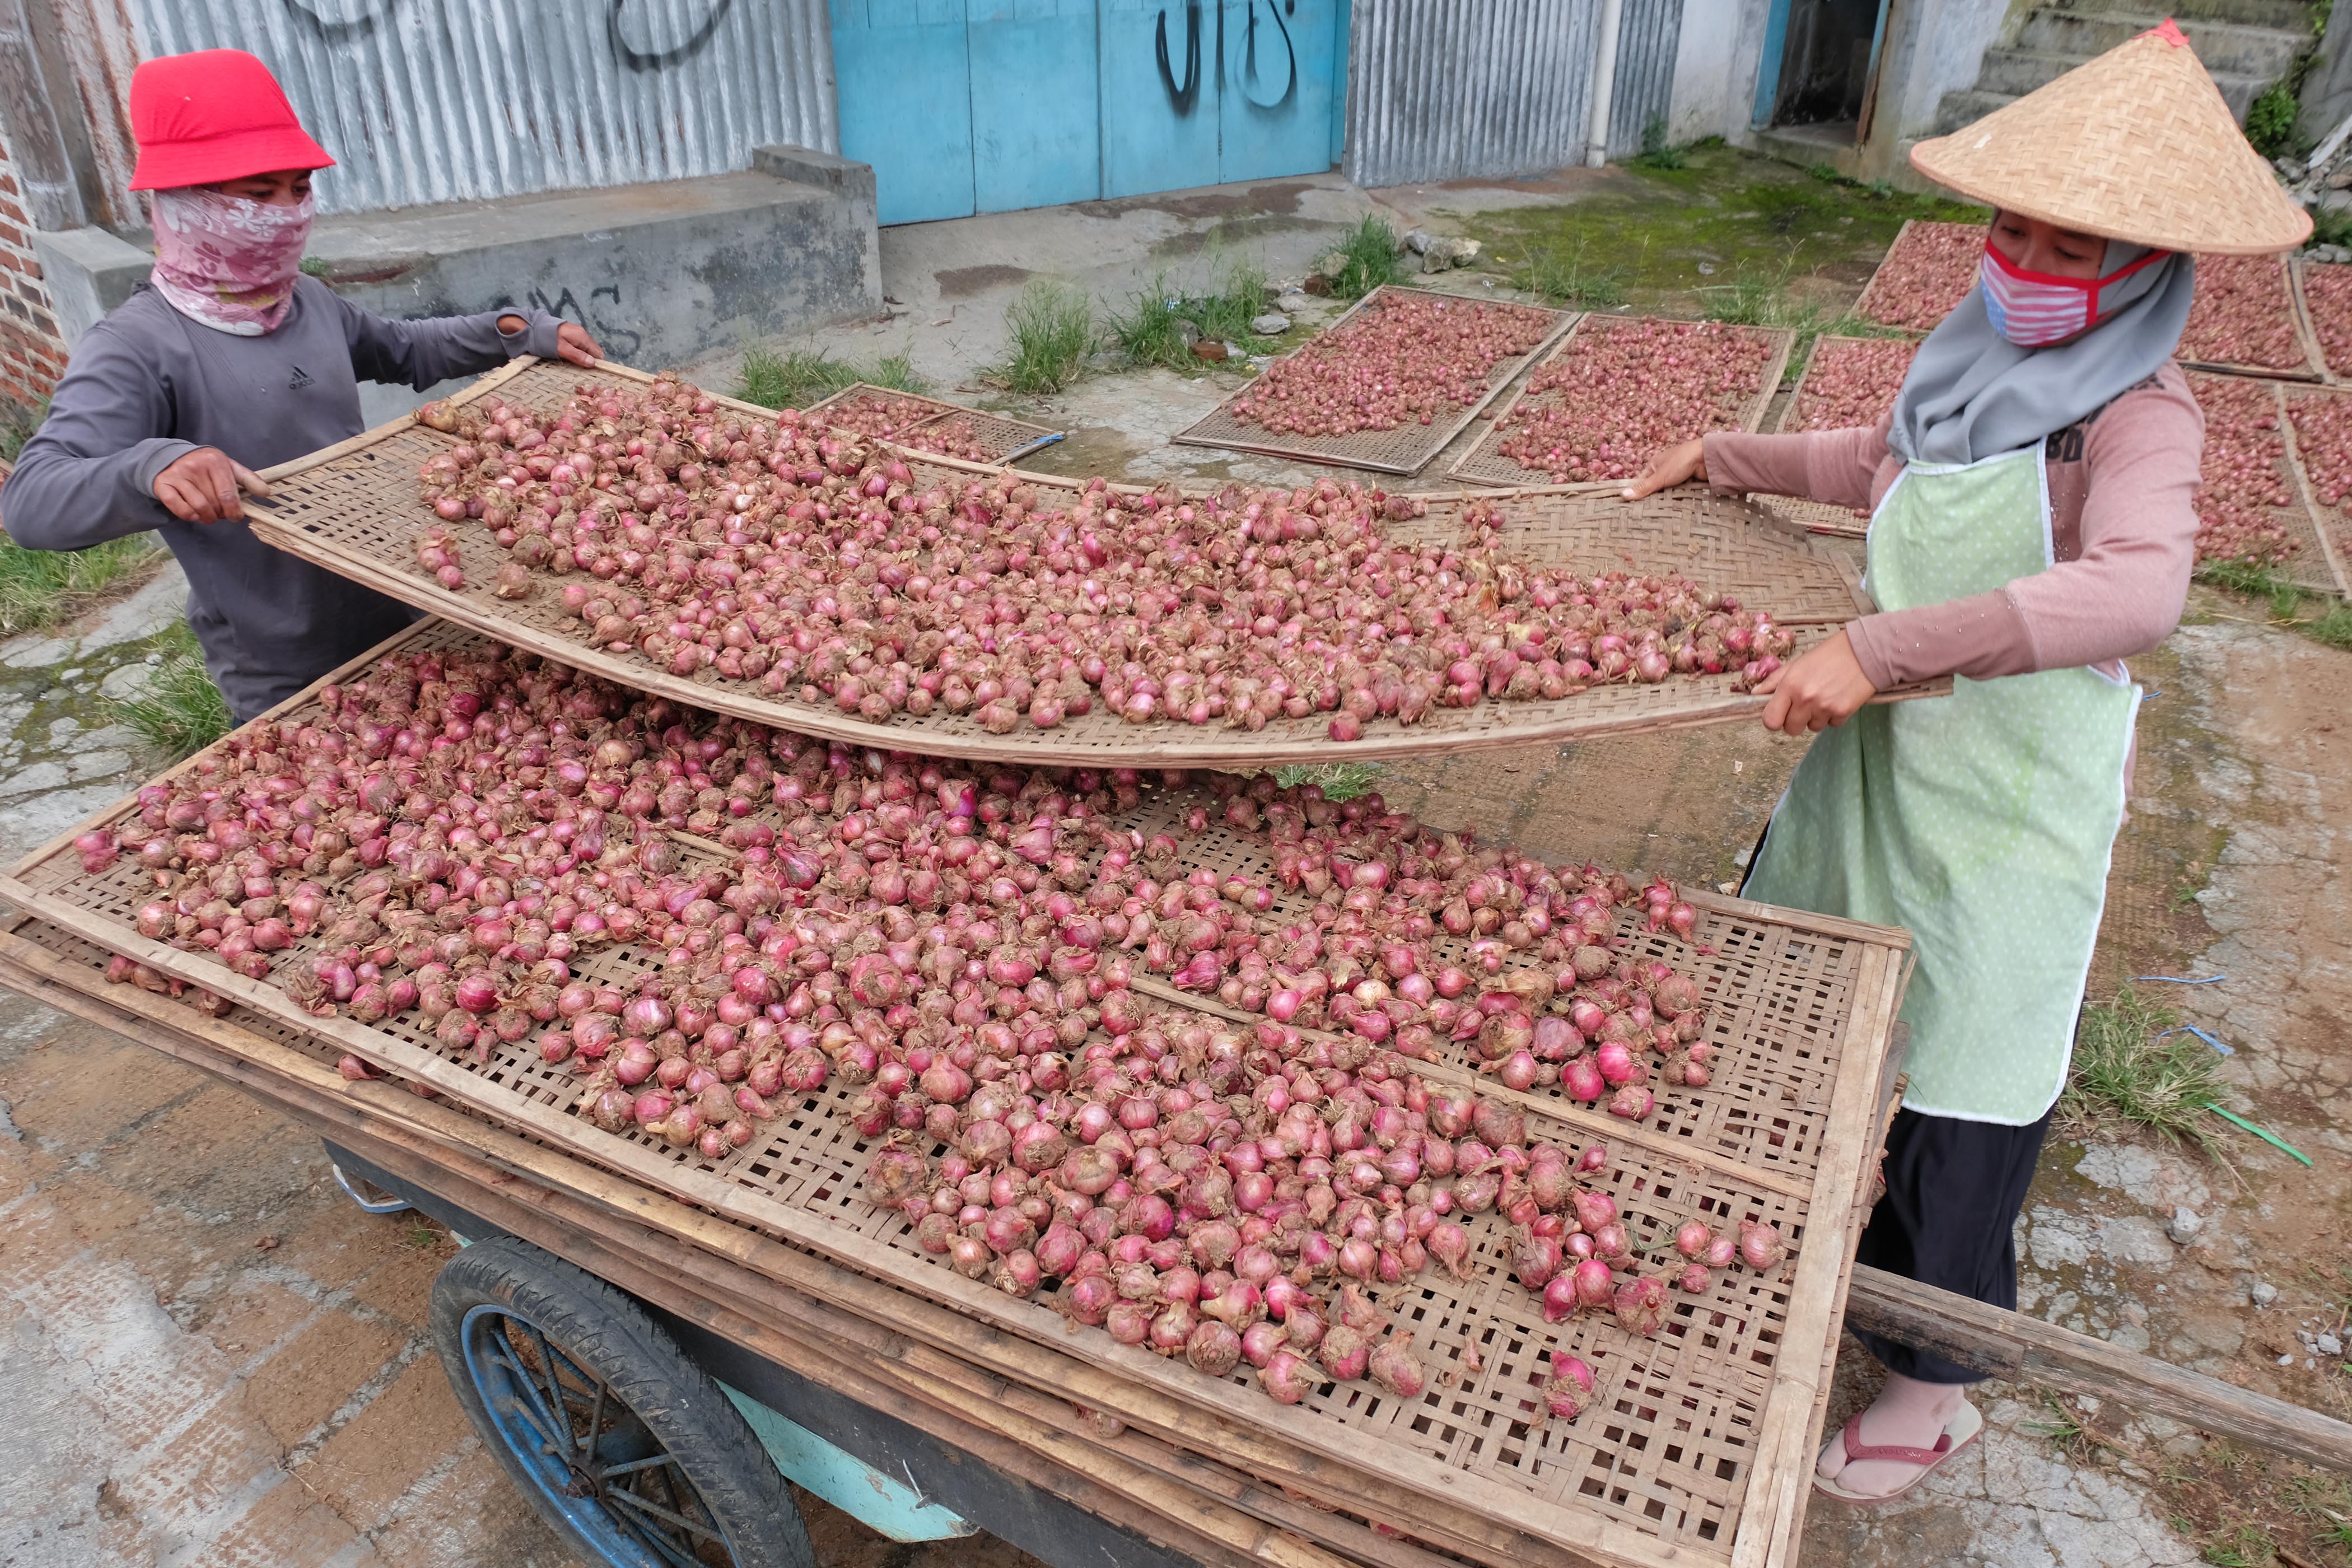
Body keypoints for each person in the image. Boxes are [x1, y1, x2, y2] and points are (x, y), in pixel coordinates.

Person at [1621, 21, 2307, 1504]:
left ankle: (1936, 1389)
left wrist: (1880, 646)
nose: (2027, 263)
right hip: (1882, 767)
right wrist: (1724, 452)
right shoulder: (1967, 363)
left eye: (2073, 246)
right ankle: (1801, 1236)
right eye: (2013, 229)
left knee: (1960, 1081)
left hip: (2004, 802)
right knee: (1809, 998)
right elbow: (1873, 463)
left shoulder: (2138, 416)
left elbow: (2139, 591)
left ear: (2149, 269)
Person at [0, 48, 604, 723]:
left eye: (299, 189)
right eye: (260, 195)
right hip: (282, 668)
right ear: (182, 202)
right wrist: (152, 466)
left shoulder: (305, 301)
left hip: (399, 606)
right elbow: (31, 502)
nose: (287, 212)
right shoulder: (136, 346)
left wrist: (511, 331)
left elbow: (402, 349)